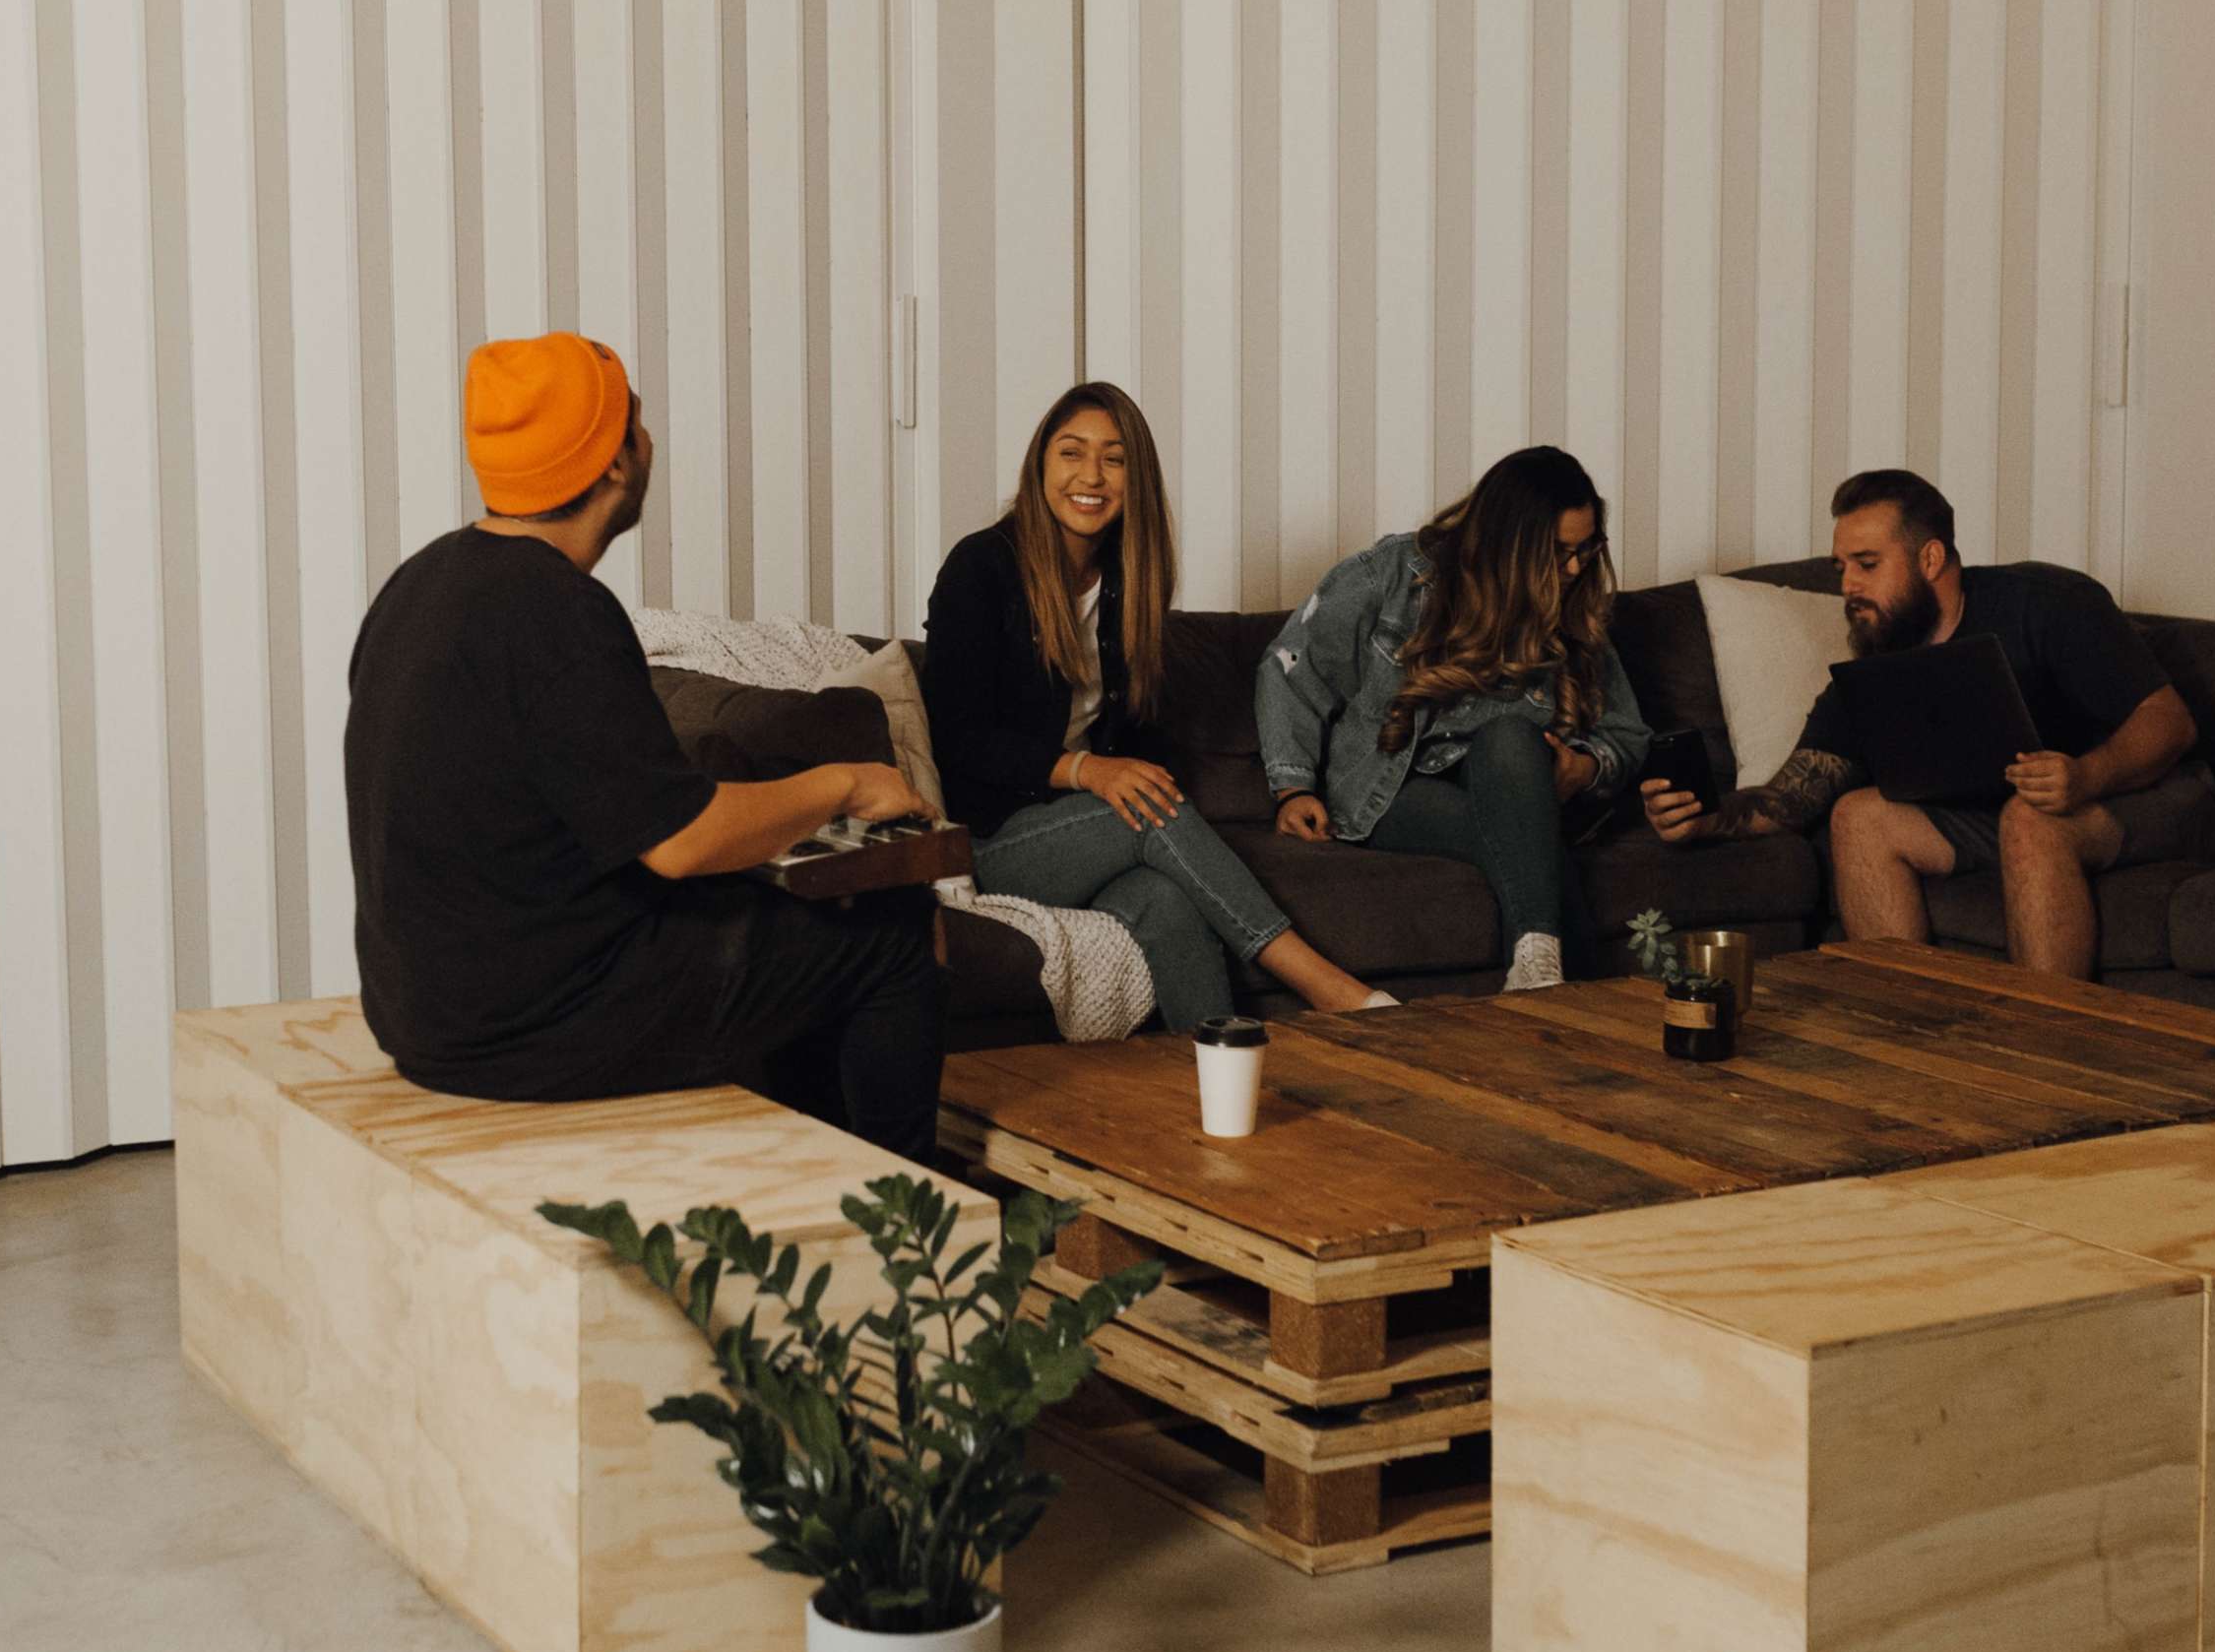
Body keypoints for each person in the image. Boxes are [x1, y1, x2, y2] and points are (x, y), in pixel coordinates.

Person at [344, 330, 946, 1159]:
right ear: (615, 461)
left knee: (791, 932)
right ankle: (906, 1235)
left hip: (419, 1008)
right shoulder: (559, 614)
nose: (650, 439)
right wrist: (844, 783)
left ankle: (814, 1181)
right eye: (638, 421)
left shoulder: (420, 584)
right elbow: (683, 840)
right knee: (890, 935)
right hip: (528, 1025)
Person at [1638, 468, 2215, 984]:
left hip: (2162, 801)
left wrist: (2086, 774)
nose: (1847, 586)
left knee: (2030, 818)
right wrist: (1707, 816)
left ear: (1930, 558)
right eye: (1841, 566)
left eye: (1867, 565)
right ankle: (1906, 1035)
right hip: (2010, 818)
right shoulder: (1877, 664)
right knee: (1860, 816)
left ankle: (2049, 1048)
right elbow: (1794, 797)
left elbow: (2170, 723)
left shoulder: (2048, 604)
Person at [922, 383, 1392, 1030]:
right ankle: (1324, 983)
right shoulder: (980, 567)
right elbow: (960, 737)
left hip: (1076, 831)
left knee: (1164, 903)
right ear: (1040, 465)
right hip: (989, 840)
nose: (1091, 475)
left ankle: (1226, 1090)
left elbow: (1135, 732)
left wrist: (1132, 775)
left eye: (1114, 459)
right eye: (1072, 453)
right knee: (1145, 810)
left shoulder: (1125, 577)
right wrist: (1087, 773)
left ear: (1134, 476)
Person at [1254, 448, 1651, 992]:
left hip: (1513, 782)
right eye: (1560, 554)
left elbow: (1627, 734)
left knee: (1512, 738)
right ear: (1510, 546)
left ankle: (1540, 979)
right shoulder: (1391, 576)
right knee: (1532, 848)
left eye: (1588, 549)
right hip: (1392, 788)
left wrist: (1585, 768)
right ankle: (1558, 990)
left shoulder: (1572, 605)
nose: (1577, 569)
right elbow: (1289, 669)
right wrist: (1292, 788)